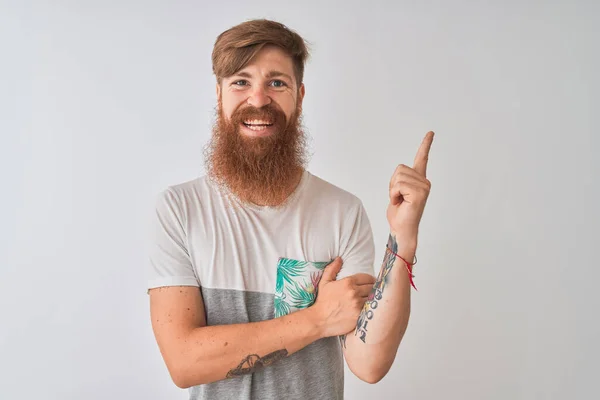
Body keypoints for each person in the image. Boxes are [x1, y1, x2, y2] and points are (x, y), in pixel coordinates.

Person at [147, 18, 434, 400]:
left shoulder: (342, 211)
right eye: (241, 82)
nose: (259, 98)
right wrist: (317, 320)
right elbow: (184, 361)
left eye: (276, 82)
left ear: (299, 96)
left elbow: (369, 364)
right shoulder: (180, 209)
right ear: (219, 95)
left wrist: (403, 239)